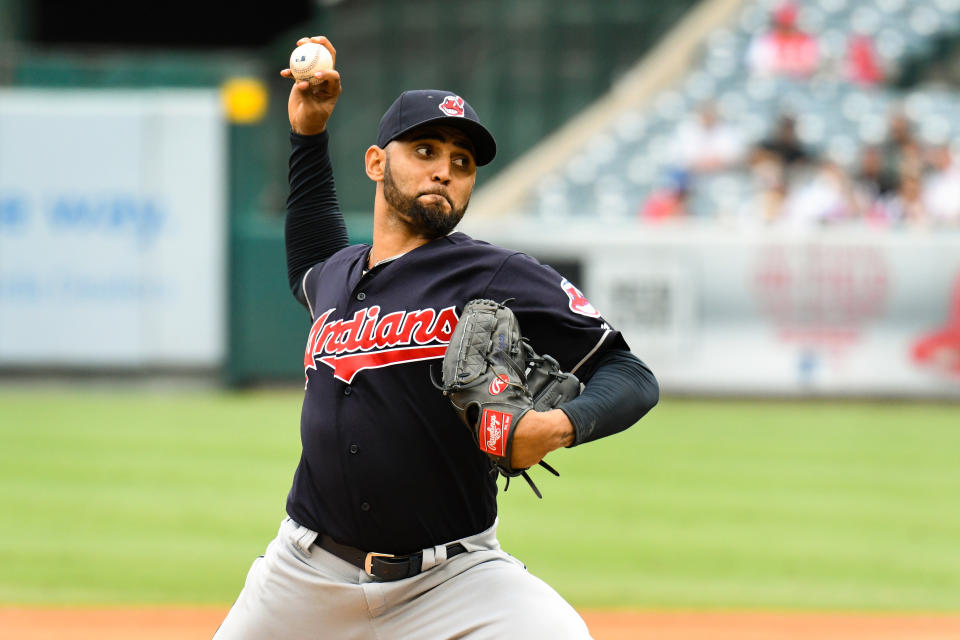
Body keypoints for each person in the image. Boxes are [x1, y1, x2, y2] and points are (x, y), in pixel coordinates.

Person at [214, 36, 659, 640]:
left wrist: (557, 427)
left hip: (452, 579)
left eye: (462, 162)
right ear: (376, 163)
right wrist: (309, 133)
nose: (444, 170)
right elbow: (310, 257)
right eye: (425, 150)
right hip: (304, 575)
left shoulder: (497, 274)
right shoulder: (338, 275)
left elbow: (631, 374)